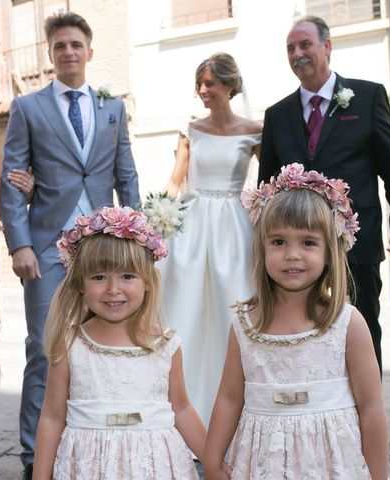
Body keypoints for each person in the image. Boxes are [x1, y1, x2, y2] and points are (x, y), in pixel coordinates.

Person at [0, 11, 139, 478]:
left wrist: (136, 237)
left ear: (89, 51)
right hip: (46, 248)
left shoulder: (112, 107)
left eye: (76, 44)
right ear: (51, 54)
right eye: (60, 46)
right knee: (44, 348)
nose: (69, 52)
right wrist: (19, 244)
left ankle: (95, 448)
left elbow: (125, 175)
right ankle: (31, 459)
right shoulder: (28, 107)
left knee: (105, 346)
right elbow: (11, 179)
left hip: (103, 251)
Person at [203, 163, 388, 479]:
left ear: (330, 251)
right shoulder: (245, 324)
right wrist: (212, 461)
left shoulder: (348, 324)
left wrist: (379, 476)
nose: (292, 254)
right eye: (278, 242)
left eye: (308, 242)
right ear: (261, 247)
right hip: (262, 462)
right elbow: (229, 398)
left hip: (331, 463)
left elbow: (371, 408)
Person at [258, 15, 390, 373]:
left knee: (361, 322)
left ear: (326, 47)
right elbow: (266, 185)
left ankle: (367, 406)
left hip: (355, 241)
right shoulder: (276, 114)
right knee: (305, 323)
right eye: (290, 49)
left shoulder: (367, 96)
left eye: (305, 45)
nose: (297, 54)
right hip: (298, 246)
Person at [33, 206, 205, 479]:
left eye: (127, 276)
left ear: (147, 281)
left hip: (153, 466)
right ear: (80, 283)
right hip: (89, 467)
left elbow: (181, 409)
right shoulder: (70, 345)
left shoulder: (165, 344)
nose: (113, 289)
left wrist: (215, 463)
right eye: (99, 277)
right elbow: (52, 418)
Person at [158, 52, 262, 425]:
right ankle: (181, 403)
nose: (203, 91)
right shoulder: (191, 130)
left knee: (230, 305)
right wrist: (157, 218)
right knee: (182, 305)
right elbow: (176, 180)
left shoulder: (254, 131)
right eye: (200, 84)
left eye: (211, 83)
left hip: (233, 225)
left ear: (230, 86)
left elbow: (265, 188)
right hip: (193, 223)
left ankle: (235, 407)